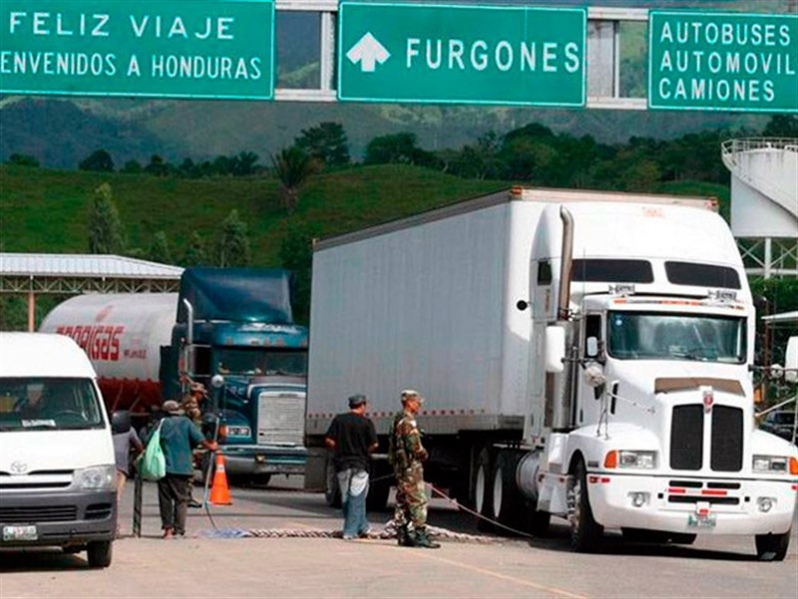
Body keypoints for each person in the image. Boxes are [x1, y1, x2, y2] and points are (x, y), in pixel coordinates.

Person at [149, 400, 218, 539]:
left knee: (165, 499)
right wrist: (211, 446)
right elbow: (199, 439)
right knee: (181, 499)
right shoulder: (186, 423)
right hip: (183, 467)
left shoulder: (162, 423)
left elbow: (148, 439)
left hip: (164, 467)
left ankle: (167, 531)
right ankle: (179, 530)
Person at [388, 389, 440, 549]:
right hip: (411, 467)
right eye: (417, 402)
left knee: (403, 500)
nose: (419, 406)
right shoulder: (408, 422)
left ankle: (403, 533)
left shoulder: (397, 419)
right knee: (418, 500)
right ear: (410, 403)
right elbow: (414, 446)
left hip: (402, 467)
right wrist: (424, 453)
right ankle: (420, 534)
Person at [325, 394, 379, 540]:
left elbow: (329, 440)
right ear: (362, 405)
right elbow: (374, 444)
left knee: (345, 497)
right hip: (360, 464)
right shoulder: (367, 423)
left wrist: (340, 448)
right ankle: (350, 531)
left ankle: (363, 526)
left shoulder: (339, 420)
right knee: (357, 496)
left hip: (342, 464)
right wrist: (364, 451)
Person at [111, 411, 144, 537]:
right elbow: (139, 445)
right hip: (120, 467)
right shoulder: (129, 430)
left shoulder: (106, 429)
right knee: (116, 498)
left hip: (106, 466)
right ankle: (115, 528)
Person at [180, 381, 207, 508]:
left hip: (187, 439)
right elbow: (194, 422)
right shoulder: (191, 403)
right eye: (201, 394)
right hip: (188, 440)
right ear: (196, 393)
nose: (202, 397)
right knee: (189, 469)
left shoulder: (186, 401)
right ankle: (187, 496)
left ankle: (185, 495)